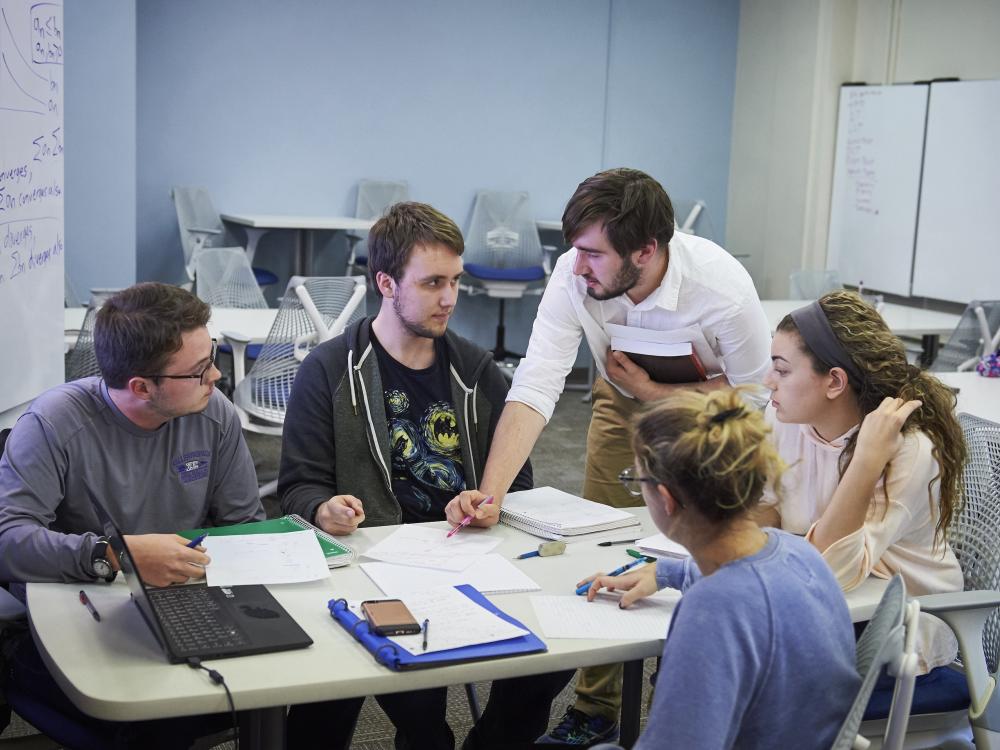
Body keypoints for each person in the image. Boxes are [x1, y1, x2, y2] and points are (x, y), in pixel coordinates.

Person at [446, 167, 772, 744]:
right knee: (605, 547)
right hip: (619, 405)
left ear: (646, 251)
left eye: (594, 253)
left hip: (717, 421)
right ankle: (595, 709)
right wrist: (490, 494)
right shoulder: (574, 276)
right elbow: (536, 384)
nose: (577, 266)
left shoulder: (722, 289)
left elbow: (759, 398)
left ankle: (683, 693)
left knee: (709, 545)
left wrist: (658, 394)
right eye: (576, 250)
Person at [279, 201, 570, 750]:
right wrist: (325, 508)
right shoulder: (328, 370)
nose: (450, 298)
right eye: (433, 282)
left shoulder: (475, 369)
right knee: (368, 689)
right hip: (373, 565)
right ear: (386, 283)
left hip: (465, 555)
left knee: (553, 654)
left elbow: (519, 483)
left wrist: (487, 502)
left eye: (456, 281)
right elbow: (297, 486)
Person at [0, 282, 264, 749]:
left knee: (284, 692)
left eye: (214, 357)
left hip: (182, 602)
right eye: (200, 370)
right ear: (141, 387)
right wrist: (115, 555)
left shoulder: (214, 414)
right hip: (78, 612)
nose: (217, 378)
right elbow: (7, 542)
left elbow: (245, 526)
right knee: (150, 723)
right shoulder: (53, 424)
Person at [579, 388, 859, 750]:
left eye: (637, 480)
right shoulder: (798, 552)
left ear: (665, 498)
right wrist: (668, 573)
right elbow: (751, 586)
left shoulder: (712, 611)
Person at [758, 290, 966, 680]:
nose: (768, 381)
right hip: (824, 606)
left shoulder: (907, 450)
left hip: (898, 629)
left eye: (782, 370)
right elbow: (767, 509)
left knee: (739, 667)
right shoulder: (786, 418)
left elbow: (831, 572)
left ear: (834, 381)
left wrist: (867, 460)